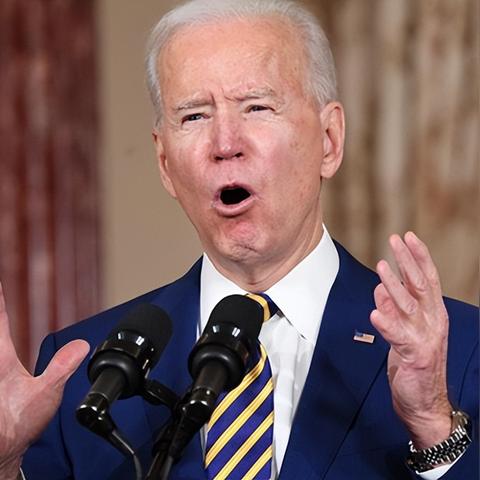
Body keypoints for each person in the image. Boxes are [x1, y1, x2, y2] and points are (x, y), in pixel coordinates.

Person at [0, 0, 477, 479]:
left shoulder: (461, 349)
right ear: (165, 163)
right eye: (194, 116)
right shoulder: (85, 372)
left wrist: (432, 426)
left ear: (329, 141)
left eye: (257, 107)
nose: (226, 144)